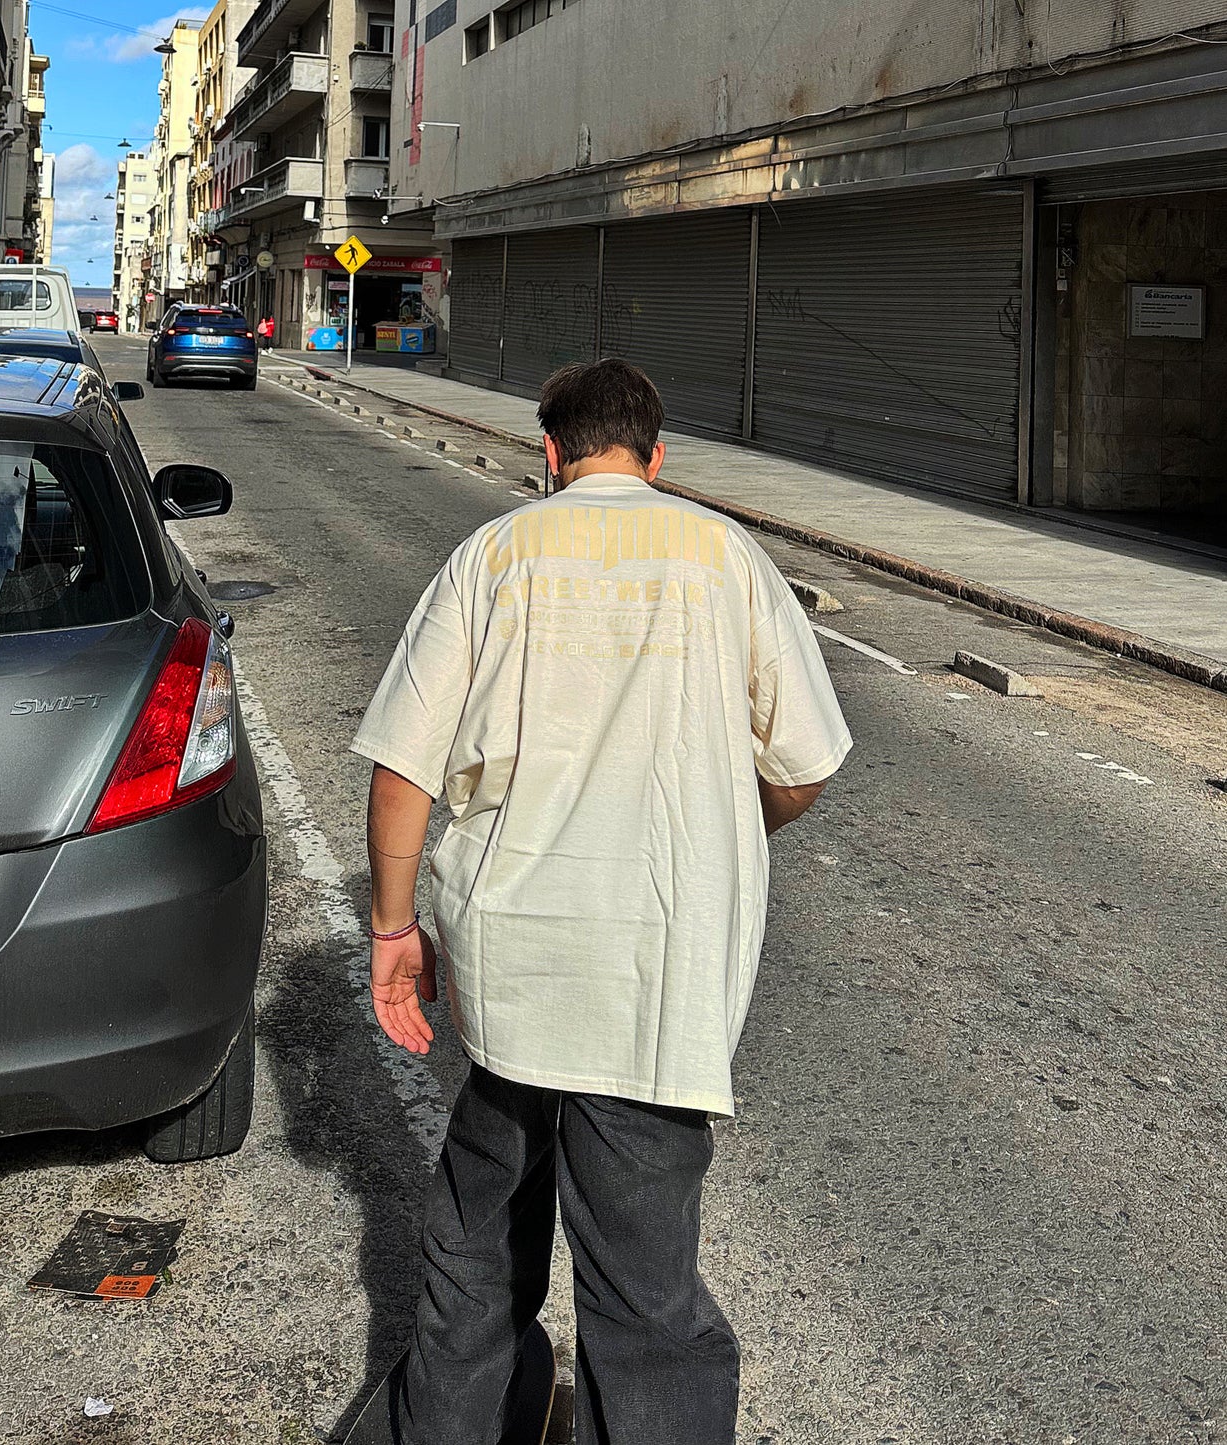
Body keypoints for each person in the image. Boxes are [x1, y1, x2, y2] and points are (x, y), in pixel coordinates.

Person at [350, 358, 853, 1445]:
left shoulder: (494, 554)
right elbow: (805, 761)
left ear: (548, 452)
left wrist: (393, 928)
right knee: (643, 1289)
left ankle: (455, 1425)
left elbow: (402, 766)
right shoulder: (725, 555)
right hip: (654, 978)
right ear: (655, 455)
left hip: (511, 969)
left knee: (476, 1241)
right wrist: (725, 826)